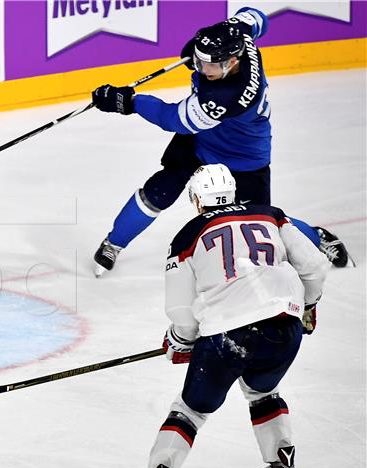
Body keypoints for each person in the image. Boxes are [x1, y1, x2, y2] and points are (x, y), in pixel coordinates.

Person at [129, 164, 330, 468]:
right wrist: (308, 306)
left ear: (196, 200)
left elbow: (180, 310)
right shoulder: (271, 215)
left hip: (226, 334)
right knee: (264, 393)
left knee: (190, 411)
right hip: (284, 326)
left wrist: (179, 340)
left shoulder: (187, 235)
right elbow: (315, 266)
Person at [90, 6, 349, 276]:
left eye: (210, 65)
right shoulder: (238, 37)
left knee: (262, 220)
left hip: (243, 158)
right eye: (200, 62)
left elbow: (173, 119)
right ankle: (113, 243)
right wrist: (205, 46)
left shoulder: (227, 97)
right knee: (160, 189)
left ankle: (316, 237)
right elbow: (255, 16)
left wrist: (129, 102)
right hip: (201, 140)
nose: (202, 69)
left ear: (232, 62)